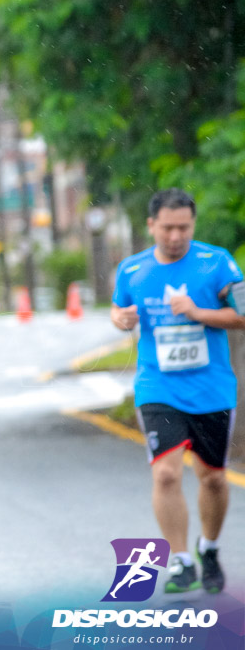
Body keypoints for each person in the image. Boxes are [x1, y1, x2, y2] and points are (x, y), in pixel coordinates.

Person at [111, 187, 244, 594]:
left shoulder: (216, 262)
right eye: (167, 228)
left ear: (193, 224)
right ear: (151, 225)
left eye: (183, 228)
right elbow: (118, 309)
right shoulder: (132, 270)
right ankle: (181, 561)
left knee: (213, 478)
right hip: (157, 385)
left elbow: (243, 314)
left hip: (211, 388)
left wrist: (197, 312)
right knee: (166, 475)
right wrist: (120, 319)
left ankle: (210, 548)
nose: (175, 236)